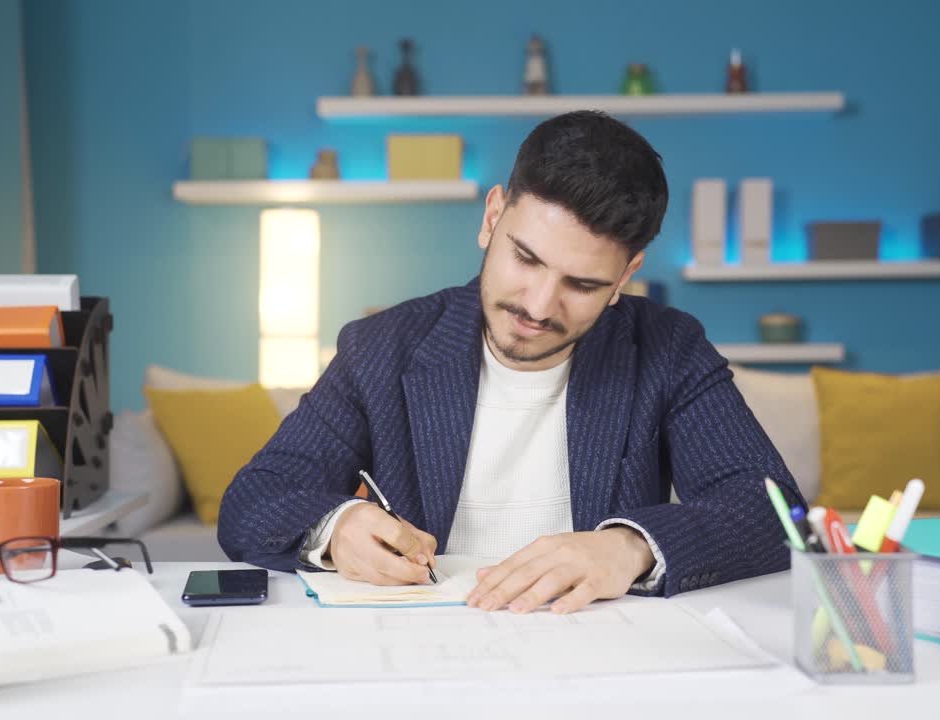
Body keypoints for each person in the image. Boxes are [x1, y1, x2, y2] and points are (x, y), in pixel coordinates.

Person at [218, 110, 803, 614]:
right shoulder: (381, 347)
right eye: (526, 259)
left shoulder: (668, 347)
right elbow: (256, 497)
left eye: (581, 283)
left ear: (625, 276)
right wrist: (336, 527)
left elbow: (776, 511)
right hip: (423, 654)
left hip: (595, 654)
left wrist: (630, 547)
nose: (538, 305)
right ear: (492, 217)